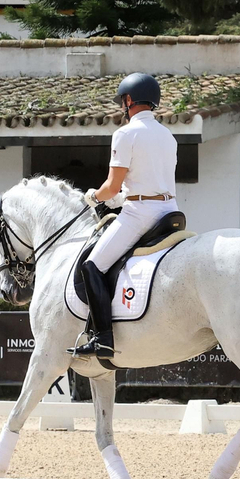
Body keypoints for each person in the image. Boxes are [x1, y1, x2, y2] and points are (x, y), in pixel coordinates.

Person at [70, 72, 178, 360]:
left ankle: (102, 338)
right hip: (170, 211)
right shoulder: (168, 135)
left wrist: (94, 196)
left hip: (140, 214)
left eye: (123, 101)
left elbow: (111, 187)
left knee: (92, 266)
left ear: (129, 100)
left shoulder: (126, 134)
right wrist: (118, 197)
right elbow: (139, 184)